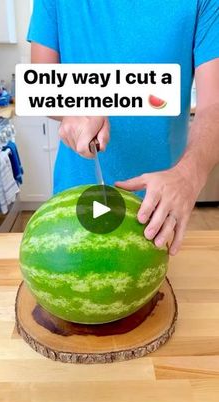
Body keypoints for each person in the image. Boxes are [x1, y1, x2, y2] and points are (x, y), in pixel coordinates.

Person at [27, 0, 219, 255]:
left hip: (157, 211)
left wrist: (188, 175)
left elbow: (213, 105)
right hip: (74, 203)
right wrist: (74, 107)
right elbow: (43, 88)